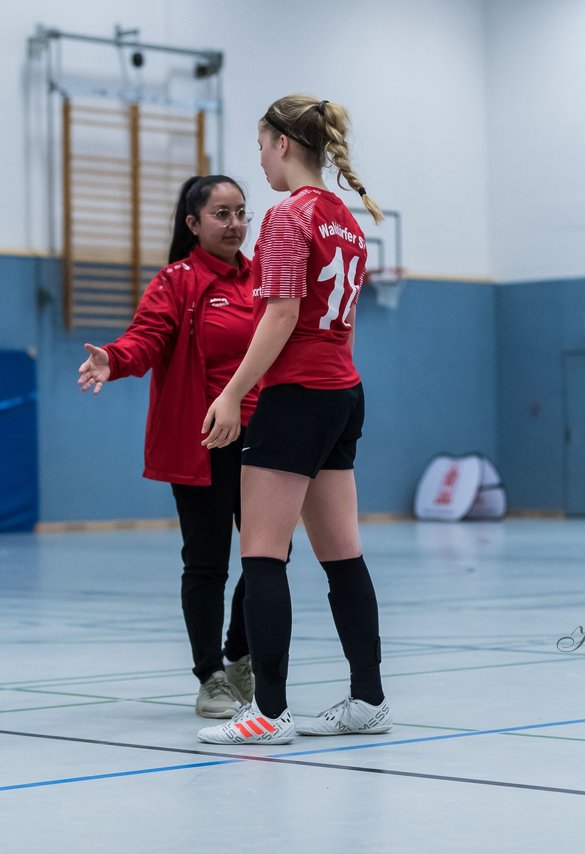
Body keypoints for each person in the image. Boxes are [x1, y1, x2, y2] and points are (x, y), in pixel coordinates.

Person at [195, 95, 392, 745]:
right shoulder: (347, 220)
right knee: (342, 555)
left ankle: (269, 714)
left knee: (262, 555)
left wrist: (231, 395)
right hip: (342, 393)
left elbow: (280, 319)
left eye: (259, 145)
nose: (259, 159)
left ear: (282, 143)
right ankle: (369, 699)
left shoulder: (287, 217)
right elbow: (344, 323)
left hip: (295, 397)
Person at [77, 175, 258, 718]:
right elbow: (147, 338)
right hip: (201, 442)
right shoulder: (176, 281)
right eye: (221, 214)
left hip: (265, 439)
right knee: (207, 564)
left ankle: (242, 651)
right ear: (193, 224)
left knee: (270, 554)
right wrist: (114, 358)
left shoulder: (264, 280)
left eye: (240, 213)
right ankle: (211, 676)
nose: (234, 224)